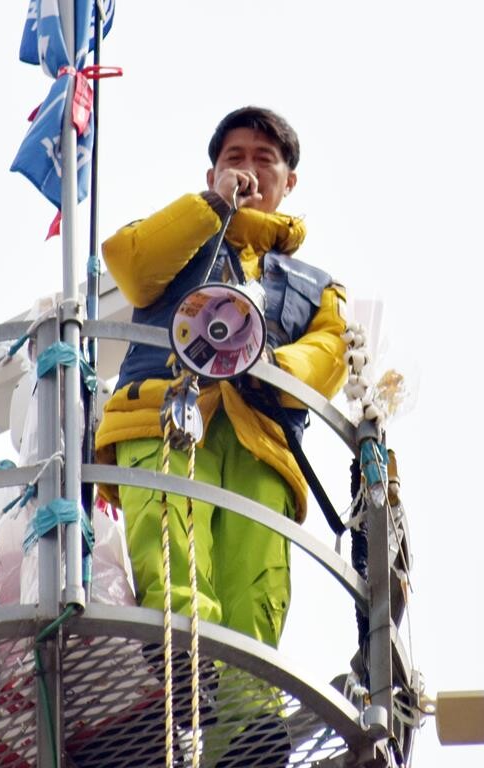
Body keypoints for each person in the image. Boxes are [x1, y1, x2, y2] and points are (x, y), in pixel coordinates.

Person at [95, 106, 348, 649]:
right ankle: (184, 667)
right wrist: (211, 207)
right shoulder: (179, 235)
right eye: (235, 158)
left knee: (256, 586)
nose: (249, 169)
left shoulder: (318, 286)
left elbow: (332, 352)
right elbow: (130, 265)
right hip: (162, 417)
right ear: (213, 174)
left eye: (264, 159)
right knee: (173, 555)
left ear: (289, 181)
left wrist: (272, 368)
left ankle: (243, 697)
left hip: (263, 443)